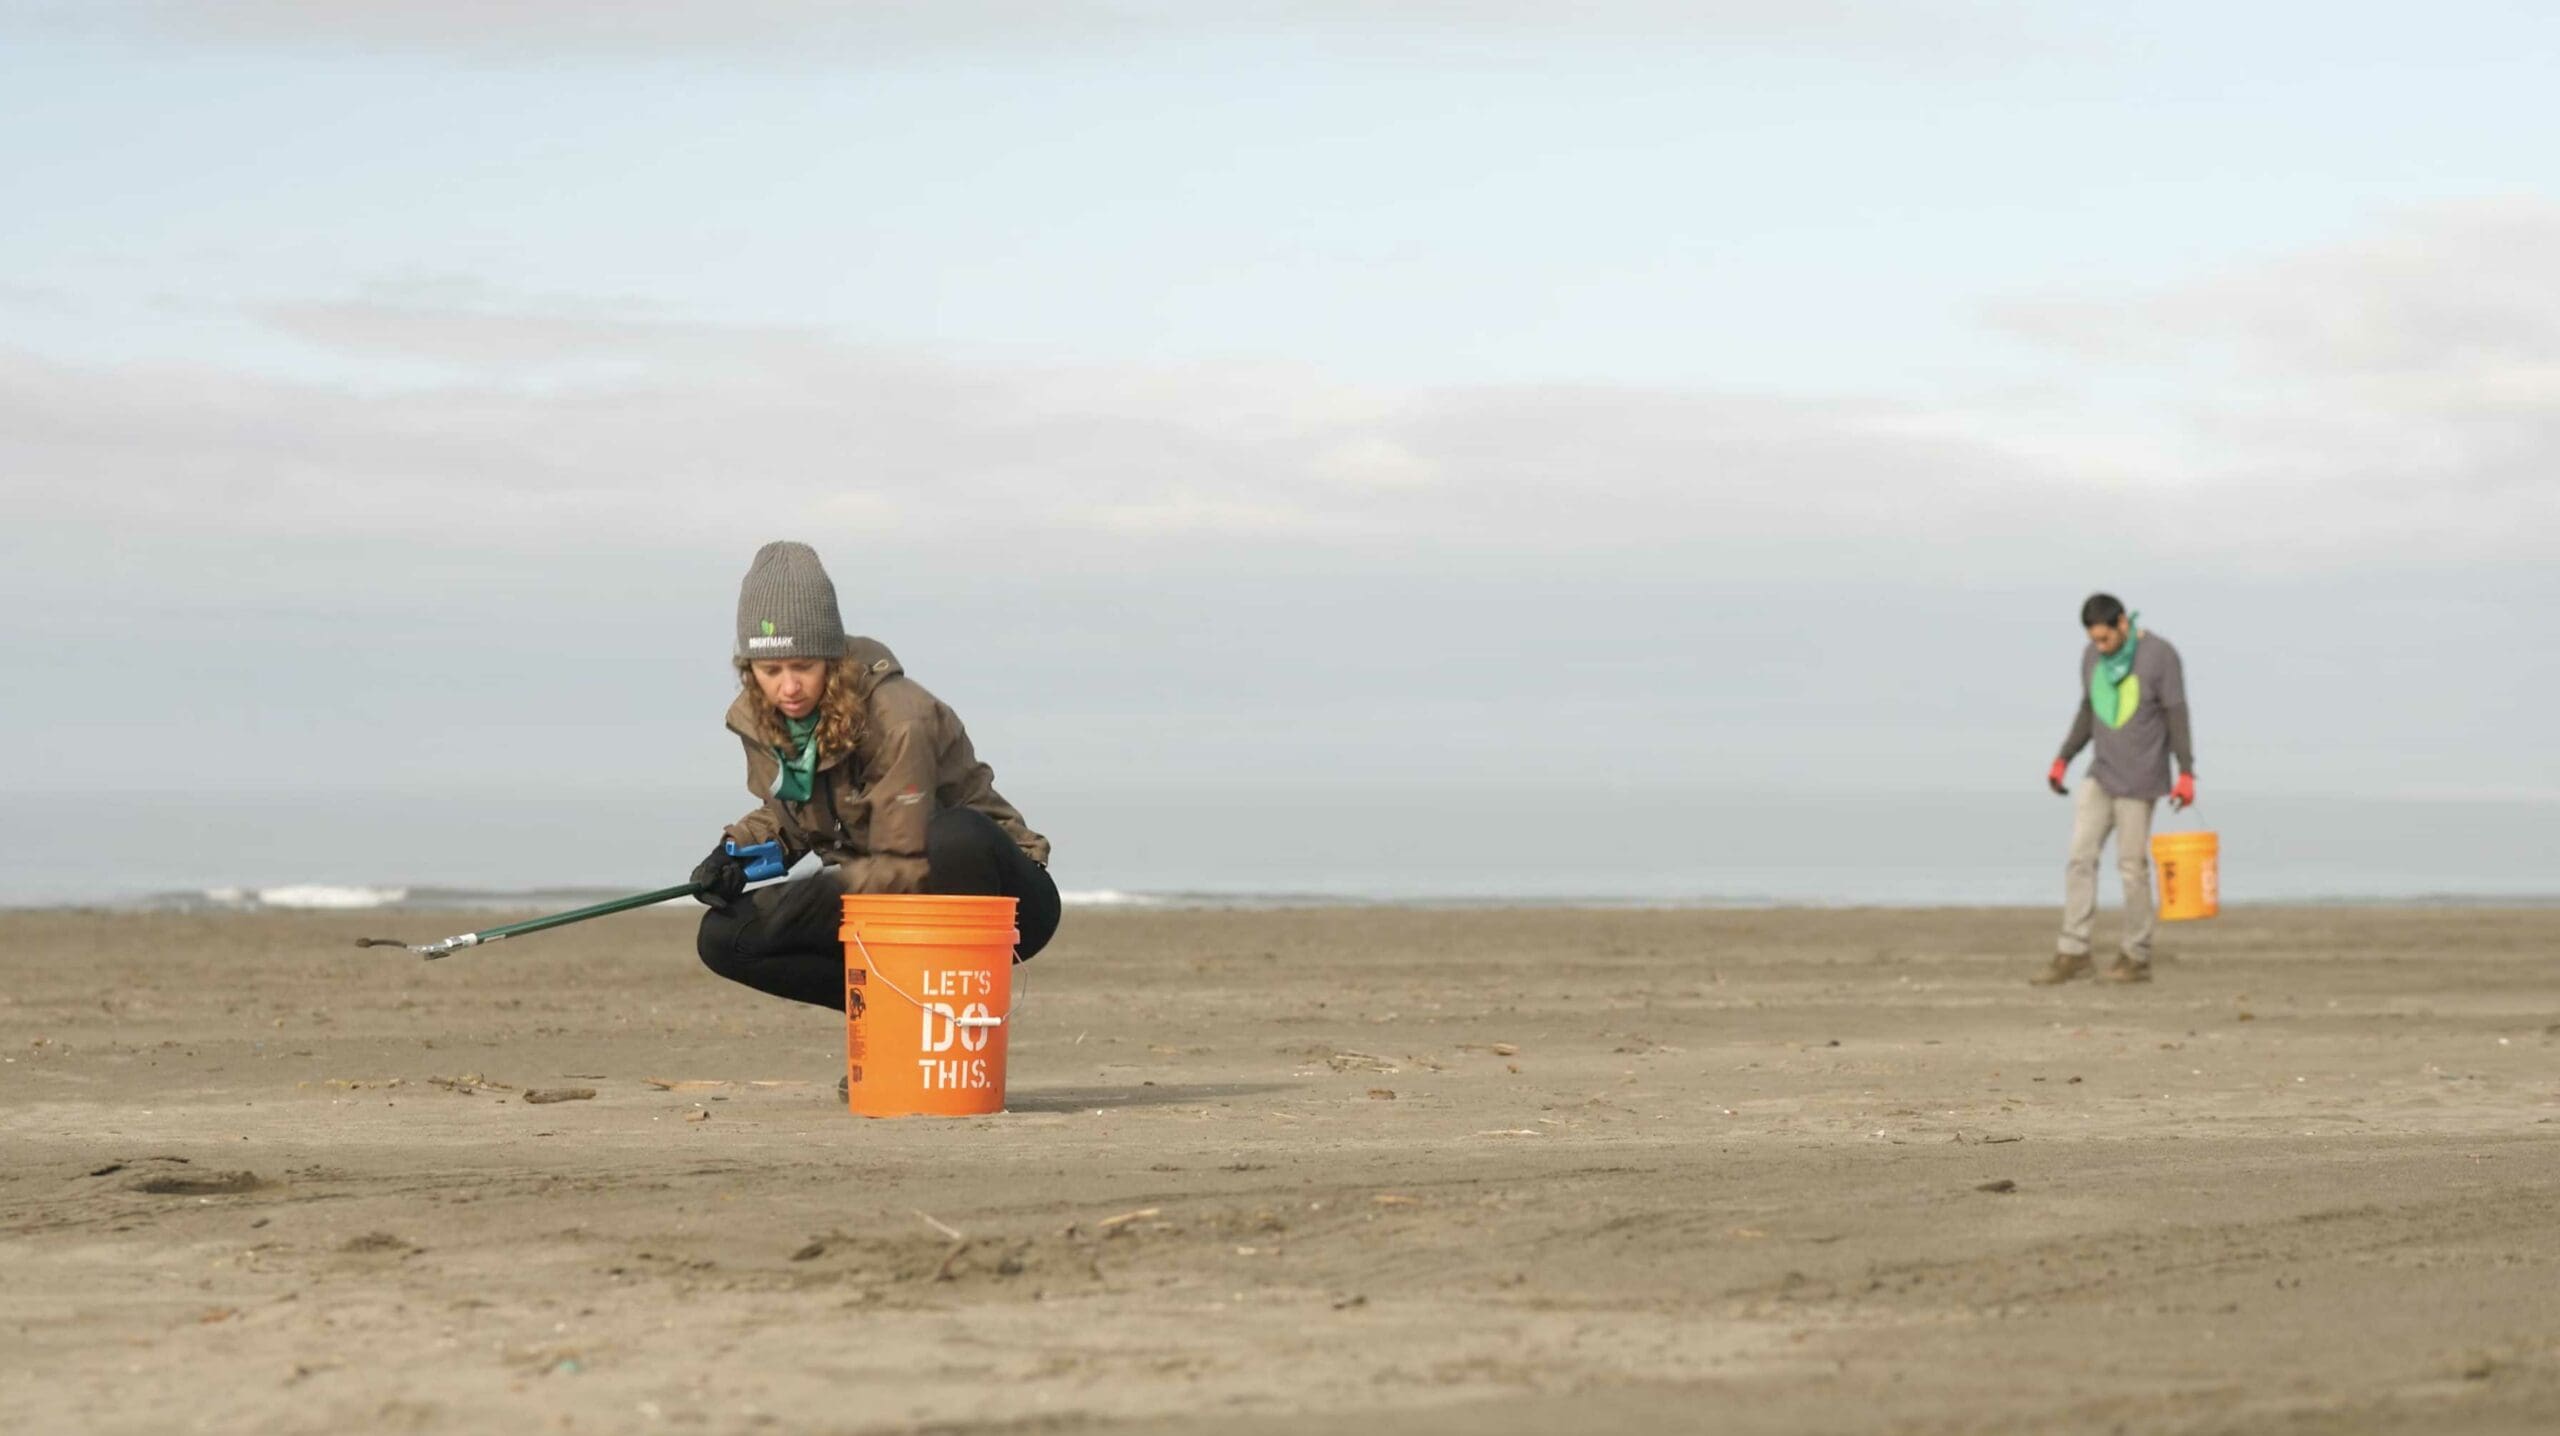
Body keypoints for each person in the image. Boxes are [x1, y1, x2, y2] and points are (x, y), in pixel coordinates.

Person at [691, 542, 1058, 1016]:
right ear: (749, 670)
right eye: (770, 669)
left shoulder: (900, 717)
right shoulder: (765, 721)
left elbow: (904, 857)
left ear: (831, 659)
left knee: (952, 838)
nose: (788, 687)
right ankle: (895, 1019)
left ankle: (930, 1013)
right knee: (724, 936)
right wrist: (735, 854)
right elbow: (795, 814)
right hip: (879, 904)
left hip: (994, 894)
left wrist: (804, 896)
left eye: (803, 666)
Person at [2034, 593, 2194, 986]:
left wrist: (2186, 771)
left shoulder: (2160, 656)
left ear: (2123, 623)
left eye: (2106, 639)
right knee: (2079, 858)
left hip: (2141, 779)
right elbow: (2088, 711)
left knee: (2131, 868)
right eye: (2094, 640)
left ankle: (2136, 956)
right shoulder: (2092, 658)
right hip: (2100, 774)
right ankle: (2073, 952)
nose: (2100, 647)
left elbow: (2176, 713)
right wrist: (2063, 759)